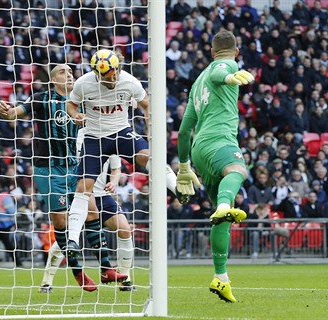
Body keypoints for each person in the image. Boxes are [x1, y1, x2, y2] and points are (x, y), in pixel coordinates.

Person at [0, 64, 115, 292]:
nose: (69, 73)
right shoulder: (41, 98)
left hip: (74, 166)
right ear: (53, 80)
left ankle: (107, 268)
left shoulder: (81, 98)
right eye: (63, 71)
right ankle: (78, 272)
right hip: (49, 169)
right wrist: (6, 110)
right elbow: (14, 113)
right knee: (60, 222)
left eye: (71, 71)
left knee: (92, 211)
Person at [64, 49, 179, 262]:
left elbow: (146, 104)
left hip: (121, 132)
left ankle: (177, 187)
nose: (113, 79)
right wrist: (76, 114)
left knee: (146, 156)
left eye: (115, 73)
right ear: (97, 74)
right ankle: (72, 240)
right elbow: (71, 104)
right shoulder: (83, 83)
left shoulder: (130, 82)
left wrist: (151, 128)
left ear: (119, 68)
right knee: (83, 188)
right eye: (108, 77)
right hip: (94, 138)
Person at [176, 29, 254, 303]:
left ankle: (221, 278)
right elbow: (219, 72)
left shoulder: (196, 84)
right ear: (236, 50)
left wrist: (184, 166)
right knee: (238, 171)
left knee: (223, 218)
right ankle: (223, 205)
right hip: (219, 140)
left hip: (198, 150)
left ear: (210, 50)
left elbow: (185, 131)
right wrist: (230, 75)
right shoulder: (226, 65)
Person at [39, 129, 133, 293]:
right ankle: (47, 281)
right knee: (69, 239)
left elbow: (116, 168)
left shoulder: (111, 131)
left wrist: (114, 182)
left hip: (101, 194)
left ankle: (125, 279)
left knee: (124, 229)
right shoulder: (75, 134)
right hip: (79, 194)